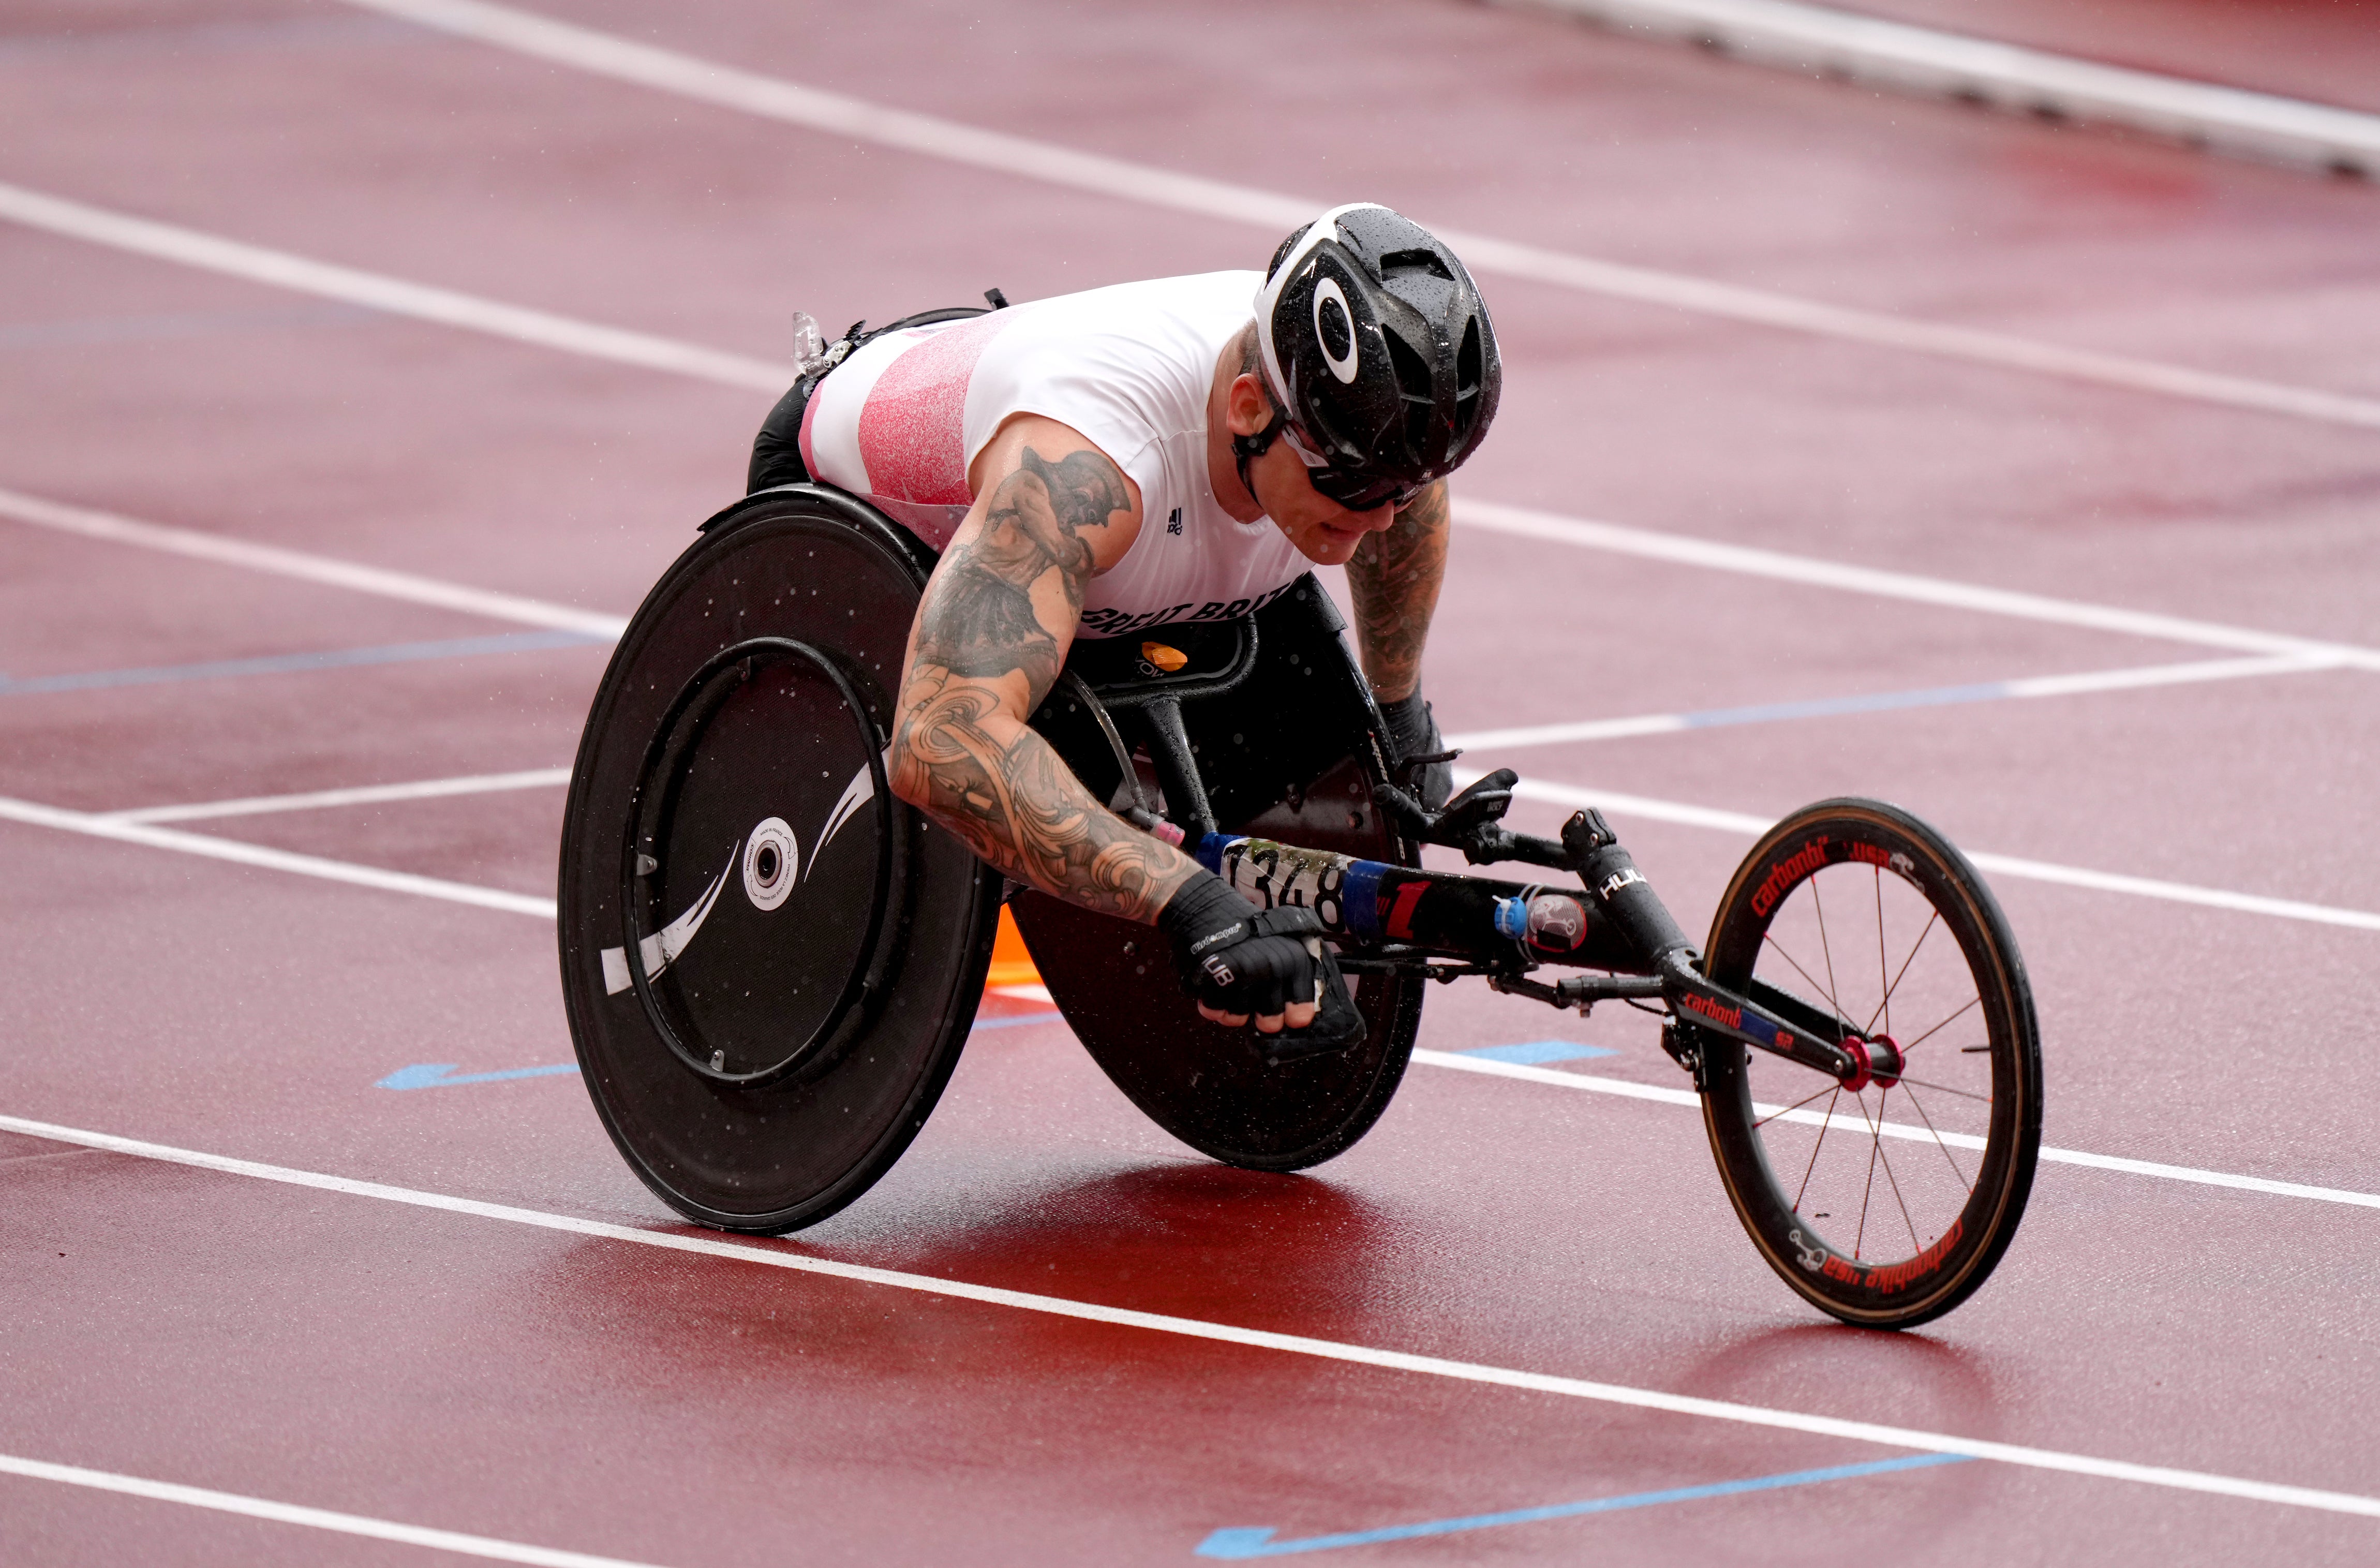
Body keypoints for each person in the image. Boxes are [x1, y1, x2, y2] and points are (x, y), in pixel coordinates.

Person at [752, 203, 1500, 1046]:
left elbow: (1400, 490)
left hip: (1109, 514)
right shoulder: (1083, 471)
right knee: (982, 806)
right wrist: (1187, 899)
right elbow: (936, 743)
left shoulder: (1339, 419)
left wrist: (1401, 723)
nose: (1386, 520)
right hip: (852, 509)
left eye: (1407, 487)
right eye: (1358, 490)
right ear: (1250, 408)